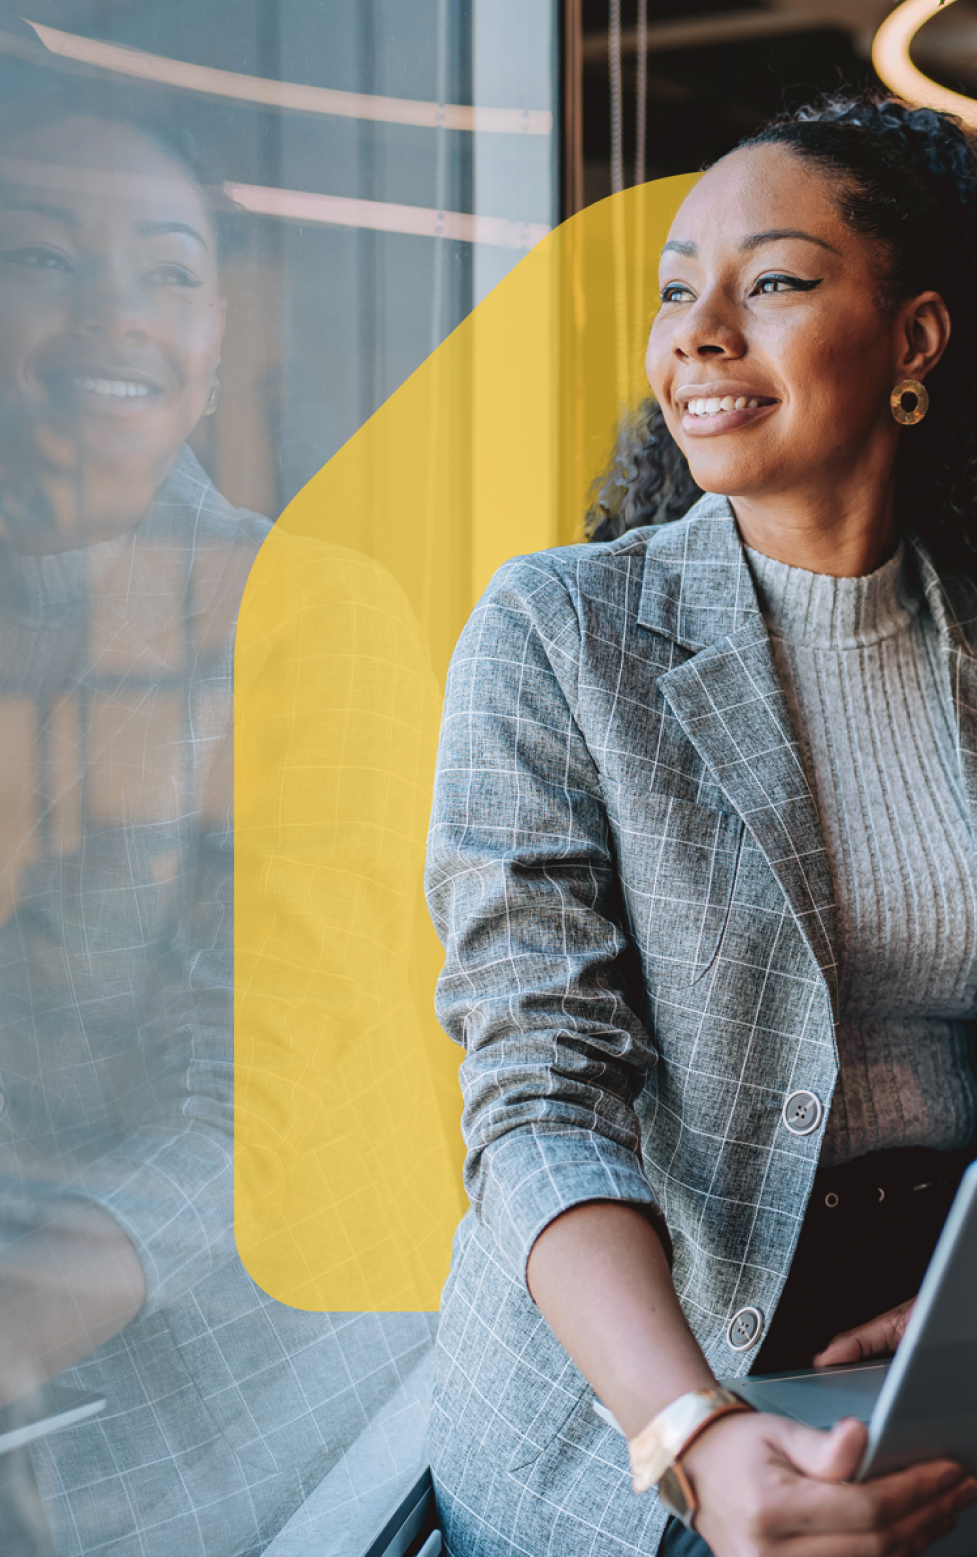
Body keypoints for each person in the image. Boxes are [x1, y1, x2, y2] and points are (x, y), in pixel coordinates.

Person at [422, 93, 977, 1557]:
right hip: (639, 1383)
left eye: (774, 282)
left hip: (935, 1343)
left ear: (914, 340)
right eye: (676, 291)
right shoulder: (558, 634)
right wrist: (694, 1437)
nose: (700, 333)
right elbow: (539, 1097)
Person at [0, 105, 433, 1554]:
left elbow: (246, 1104)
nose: (113, 314)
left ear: (215, 354)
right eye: (42, 259)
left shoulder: (309, 613)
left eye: (170, 272)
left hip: (287, 1434)